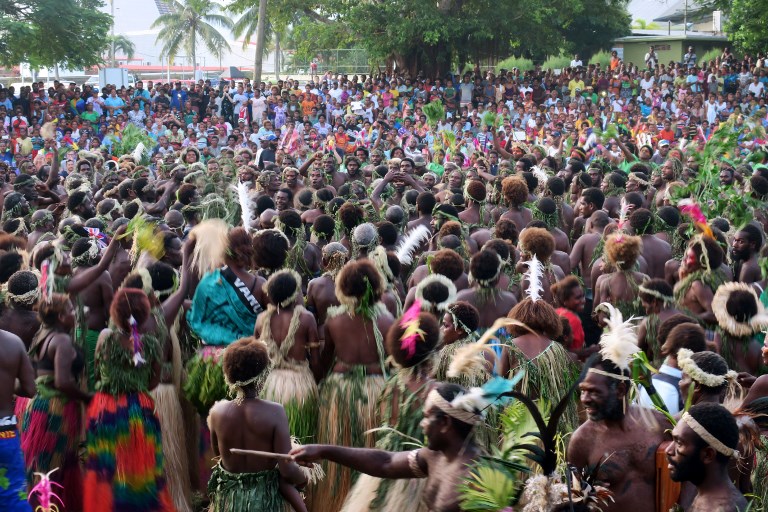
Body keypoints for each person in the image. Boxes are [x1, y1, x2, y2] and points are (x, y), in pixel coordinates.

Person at [292, 382, 484, 512]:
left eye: (426, 417)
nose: (422, 424)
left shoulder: (476, 477)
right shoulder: (434, 456)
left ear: (445, 423)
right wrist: (323, 451)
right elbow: (386, 463)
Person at [313, 259, 395, 511]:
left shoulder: (334, 321)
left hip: (339, 392)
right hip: (376, 392)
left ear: (344, 288)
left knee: (341, 448)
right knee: (371, 448)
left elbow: (325, 361)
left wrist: (315, 381)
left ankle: (336, 501)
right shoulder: (387, 320)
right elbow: (393, 362)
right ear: (376, 287)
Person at [568, 305, 668, 512]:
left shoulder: (658, 424)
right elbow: (574, 501)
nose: (585, 399)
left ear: (621, 390)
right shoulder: (582, 441)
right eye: (583, 391)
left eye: (594, 392)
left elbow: (689, 476)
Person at [340, 305, 440, 511]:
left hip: (388, 462)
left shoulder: (391, 385)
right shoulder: (435, 391)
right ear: (431, 352)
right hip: (418, 469)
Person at [83, 288, 173, 512]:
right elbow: (152, 384)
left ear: (115, 312)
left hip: (106, 409)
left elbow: (97, 371)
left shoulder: (105, 337)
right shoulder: (151, 344)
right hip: (138, 411)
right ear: (144, 315)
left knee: (106, 466)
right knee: (139, 469)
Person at [207, 337, 309, 512]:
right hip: (265, 501)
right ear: (262, 375)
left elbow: (219, 455)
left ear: (229, 376)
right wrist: (303, 480)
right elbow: (287, 469)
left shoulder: (217, 413)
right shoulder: (275, 412)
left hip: (229, 500)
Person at [22, 294, 90, 511]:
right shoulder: (61, 340)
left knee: (44, 468)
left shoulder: (42, 335)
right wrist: (88, 398)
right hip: (55, 412)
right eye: (71, 310)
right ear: (60, 316)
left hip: (40, 409)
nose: (75, 314)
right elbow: (63, 382)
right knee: (53, 470)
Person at [255, 269, 320, 442]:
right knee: (301, 438)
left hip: (270, 387)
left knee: (272, 440)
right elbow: (315, 361)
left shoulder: (261, 319)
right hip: (300, 388)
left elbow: (256, 357)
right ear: (295, 293)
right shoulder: (307, 318)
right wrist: (318, 383)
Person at [666, 403, 746, 511]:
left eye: (679, 443)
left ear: (708, 455)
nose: (668, 450)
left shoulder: (721, 508)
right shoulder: (708, 497)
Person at [0, 324, 35, 512]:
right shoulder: (14, 343)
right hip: (5, 434)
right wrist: (8, 383)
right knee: (13, 498)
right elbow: (30, 389)